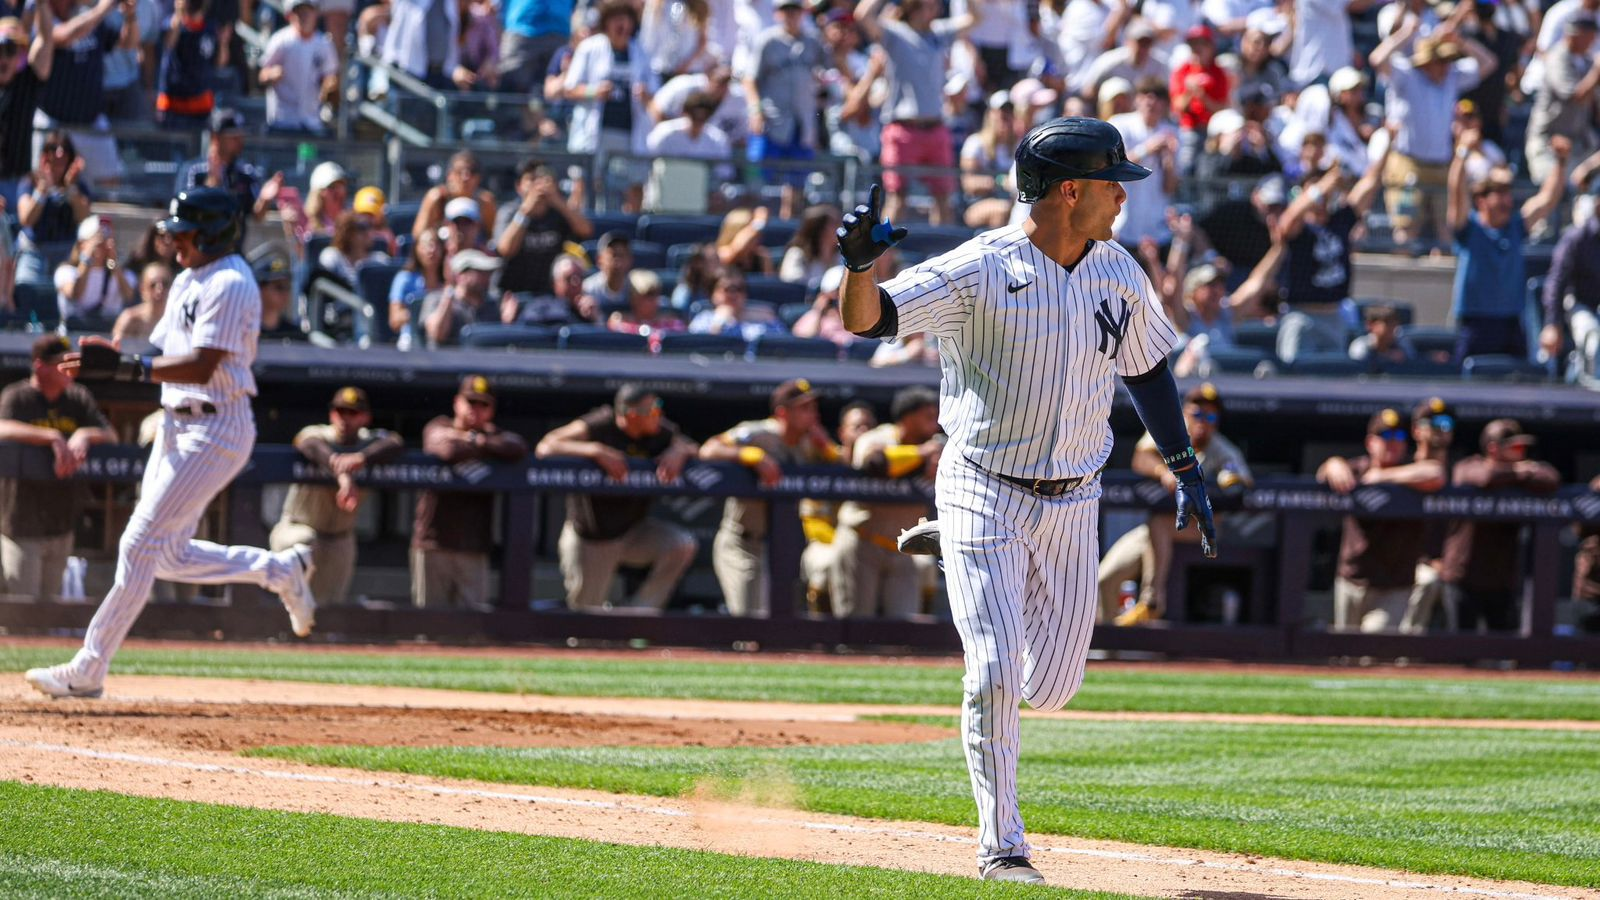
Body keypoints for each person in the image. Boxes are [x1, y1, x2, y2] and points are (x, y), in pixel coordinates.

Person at [838, 117, 1215, 883]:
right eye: (1114, 182)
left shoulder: (1118, 269)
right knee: (996, 672)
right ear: (1070, 190)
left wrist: (1184, 465)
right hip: (983, 484)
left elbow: (1147, 371)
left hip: (1075, 498)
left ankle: (957, 547)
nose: (1122, 196)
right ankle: (1002, 847)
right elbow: (870, 320)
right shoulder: (981, 267)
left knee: (1053, 688)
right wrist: (855, 268)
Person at [24, 188, 318, 700]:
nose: (174, 241)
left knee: (139, 544)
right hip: (177, 423)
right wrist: (118, 353)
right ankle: (280, 569)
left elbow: (204, 364)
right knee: (167, 556)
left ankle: (89, 668)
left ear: (211, 233)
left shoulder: (231, 281)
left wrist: (129, 368)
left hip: (216, 424)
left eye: (183, 233)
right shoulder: (188, 277)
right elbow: (164, 351)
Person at [536, 384, 700, 610]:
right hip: (592, 539)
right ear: (631, 414)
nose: (658, 414)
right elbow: (546, 446)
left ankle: (639, 615)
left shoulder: (659, 430)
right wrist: (595, 450)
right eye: (652, 409)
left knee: (680, 545)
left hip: (633, 532)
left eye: (658, 407)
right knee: (585, 623)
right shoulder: (601, 423)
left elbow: (694, 448)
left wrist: (679, 451)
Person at [1097, 383, 1249, 624]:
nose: (1203, 421)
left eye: (1210, 415)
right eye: (1197, 413)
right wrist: (1163, 472)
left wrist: (1208, 485)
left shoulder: (1222, 450)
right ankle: (1112, 642)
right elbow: (1141, 457)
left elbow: (1240, 486)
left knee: (1159, 524)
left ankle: (1152, 600)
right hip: (1157, 531)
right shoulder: (1170, 434)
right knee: (1105, 578)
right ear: (1185, 413)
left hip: (1205, 529)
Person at [699, 378, 841, 616]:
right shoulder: (759, 433)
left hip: (780, 546)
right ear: (782, 413)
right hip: (741, 542)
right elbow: (708, 450)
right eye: (804, 408)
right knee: (749, 621)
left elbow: (851, 466)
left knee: (778, 623)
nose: (813, 415)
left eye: (814, 408)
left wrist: (829, 450)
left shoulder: (811, 443)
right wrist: (748, 454)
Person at [0, 335, 114, 603]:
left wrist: (85, 433)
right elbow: (1, 427)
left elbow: (111, 435)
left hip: (62, 520)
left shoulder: (77, 397)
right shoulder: (18, 396)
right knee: (23, 610)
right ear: (40, 366)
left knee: (50, 608)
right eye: (63, 364)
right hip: (20, 522)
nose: (71, 370)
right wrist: (50, 436)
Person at [1371, 14, 1497, 249]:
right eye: (1439, 61)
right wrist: (1406, 34)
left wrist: (1460, 42)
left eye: (1446, 60)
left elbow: (1489, 63)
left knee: (1448, 229)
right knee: (1405, 229)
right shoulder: (1407, 75)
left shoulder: (1452, 77)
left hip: (1442, 165)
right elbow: (1377, 59)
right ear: (1426, 62)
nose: (1444, 66)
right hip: (1408, 164)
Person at [1316, 407, 1446, 632]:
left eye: (1398, 436)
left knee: (1373, 649)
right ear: (1370, 442)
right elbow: (1323, 474)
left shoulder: (1411, 470)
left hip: (1394, 586)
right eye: (1385, 436)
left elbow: (1436, 474)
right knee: (1345, 658)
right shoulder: (1358, 468)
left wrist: (1383, 477)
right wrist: (1332, 463)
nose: (1392, 442)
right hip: (1351, 580)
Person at [272, 387, 404, 606]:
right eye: (340, 411)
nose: (345, 419)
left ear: (365, 417)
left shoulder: (367, 442)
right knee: (304, 551)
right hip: (297, 528)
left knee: (330, 607)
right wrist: (341, 471)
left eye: (353, 413)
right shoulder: (319, 434)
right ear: (332, 413)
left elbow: (395, 442)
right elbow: (308, 444)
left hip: (339, 538)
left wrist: (361, 458)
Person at [854, 0, 981, 226]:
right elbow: (862, 15)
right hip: (902, 129)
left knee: (943, 198)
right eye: (928, 5)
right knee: (897, 198)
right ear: (913, 7)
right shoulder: (895, 33)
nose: (935, 10)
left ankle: (943, 254)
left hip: (936, 128)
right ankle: (884, 257)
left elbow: (975, 18)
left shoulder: (939, 32)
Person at [1446, 136, 1569, 362]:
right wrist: (1462, 153)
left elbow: (1548, 199)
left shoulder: (1515, 227)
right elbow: (1456, 192)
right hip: (1475, 323)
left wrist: (1561, 162)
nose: (1506, 201)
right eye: (1499, 194)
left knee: (1517, 385)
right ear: (1481, 200)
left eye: (1507, 193)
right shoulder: (1468, 228)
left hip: (1511, 322)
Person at [413, 375, 528, 611]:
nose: (475, 409)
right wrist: (480, 443)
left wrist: (476, 440)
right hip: (434, 542)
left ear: (491, 409)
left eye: (483, 404)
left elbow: (517, 447)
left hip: (474, 546)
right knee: (429, 625)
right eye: (471, 402)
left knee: (474, 629)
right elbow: (447, 450)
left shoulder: (495, 436)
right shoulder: (439, 425)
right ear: (457, 402)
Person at [828, 386, 941, 619]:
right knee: (855, 626)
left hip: (904, 548)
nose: (935, 423)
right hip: (861, 541)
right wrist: (921, 454)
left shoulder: (938, 444)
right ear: (908, 418)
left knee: (904, 629)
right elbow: (876, 464)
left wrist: (934, 455)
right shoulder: (876, 438)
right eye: (928, 417)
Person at [1440, 420, 1560, 632]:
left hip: (1501, 580)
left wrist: (1518, 473)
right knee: (1460, 652)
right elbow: (1485, 477)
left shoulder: (1522, 473)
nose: (1522, 452)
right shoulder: (1468, 465)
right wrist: (1521, 472)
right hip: (1463, 577)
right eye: (1515, 447)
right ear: (1493, 448)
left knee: (1501, 652)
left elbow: (1551, 478)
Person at [1273, 150, 1390, 364]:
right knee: (1295, 380)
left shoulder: (1339, 221)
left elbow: (1369, 184)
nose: (1323, 194)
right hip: (1301, 316)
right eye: (1317, 190)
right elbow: (1287, 222)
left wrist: (1387, 144)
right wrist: (1323, 184)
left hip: (1334, 315)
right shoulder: (1301, 228)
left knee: (1333, 380)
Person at [562, 0, 657, 212]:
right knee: (583, 184)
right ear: (606, 22)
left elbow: (655, 94)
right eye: (617, 19)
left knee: (633, 185)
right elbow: (569, 88)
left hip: (630, 133)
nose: (622, 25)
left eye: (626, 19)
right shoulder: (590, 48)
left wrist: (645, 95)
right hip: (595, 132)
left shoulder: (641, 52)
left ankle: (629, 233)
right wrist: (593, 91)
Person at [743, 0, 824, 219]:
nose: (791, 15)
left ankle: (788, 225)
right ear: (777, 13)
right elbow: (749, 79)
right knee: (758, 178)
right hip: (772, 120)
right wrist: (755, 110)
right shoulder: (767, 40)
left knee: (796, 182)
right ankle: (755, 224)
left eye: (795, 10)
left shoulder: (813, 42)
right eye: (786, 10)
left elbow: (829, 72)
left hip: (802, 122)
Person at [495, 158, 593, 297]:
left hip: (550, 294)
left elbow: (586, 230)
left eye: (543, 178)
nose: (538, 184)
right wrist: (525, 213)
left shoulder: (558, 212)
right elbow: (505, 249)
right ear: (519, 186)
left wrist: (557, 200)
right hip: (512, 294)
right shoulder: (510, 211)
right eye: (532, 179)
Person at [1401, 397, 1457, 631]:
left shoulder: (1461, 474)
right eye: (1431, 422)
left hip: (1452, 567)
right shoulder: (1399, 468)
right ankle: (1406, 653)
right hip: (1406, 564)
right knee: (1427, 579)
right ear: (1416, 429)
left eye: (1445, 422)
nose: (1439, 428)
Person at [1525, 15, 1600, 186]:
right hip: (1548, 142)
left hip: (1578, 143)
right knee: (1551, 191)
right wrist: (1596, 73)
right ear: (1575, 34)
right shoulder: (1557, 57)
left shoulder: (1586, 61)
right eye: (1588, 35)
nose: (1592, 41)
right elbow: (1574, 96)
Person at [178, 108, 283, 227]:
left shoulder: (246, 173)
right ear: (215, 138)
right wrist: (211, 185)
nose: (240, 142)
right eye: (233, 137)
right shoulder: (194, 171)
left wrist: (265, 199)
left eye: (241, 136)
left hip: (234, 243)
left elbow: (256, 216)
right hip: (201, 242)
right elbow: (185, 211)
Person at [15, 129, 91, 287]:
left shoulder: (78, 186)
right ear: (44, 155)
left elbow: (84, 217)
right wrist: (42, 190)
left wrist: (70, 189)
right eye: (53, 149)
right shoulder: (30, 182)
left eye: (64, 150)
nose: (59, 154)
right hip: (34, 252)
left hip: (67, 254)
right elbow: (26, 219)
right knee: (25, 288)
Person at [0, 7, 55, 212]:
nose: (4, 59)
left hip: (17, 186)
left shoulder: (27, 82)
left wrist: (41, 3)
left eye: (11, 50)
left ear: (20, 54)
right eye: (0, 51)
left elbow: (46, 38)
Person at [260, 0, 340, 134]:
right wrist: (271, 74)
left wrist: (330, 85)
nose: (304, 16)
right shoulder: (281, 40)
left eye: (308, 12)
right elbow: (262, 74)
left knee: (309, 154)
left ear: (315, 14)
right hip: (282, 120)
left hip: (312, 121)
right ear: (290, 15)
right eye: (299, 12)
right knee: (283, 154)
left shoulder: (324, 44)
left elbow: (331, 76)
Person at [1543, 199, 1600, 374]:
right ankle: (1590, 397)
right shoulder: (1577, 238)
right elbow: (1556, 282)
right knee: (1593, 340)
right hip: (1579, 305)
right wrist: (1552, 323)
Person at [421, 249, 508, 346]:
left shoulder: (492, 306)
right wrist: (448, 297)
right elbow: (437, 334)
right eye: (480, 272)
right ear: (460, 276)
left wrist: (507, 324)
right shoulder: (435, 299)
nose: (487, 277)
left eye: (488, 273)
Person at [55, 213, 132, 322]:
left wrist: (113, 262)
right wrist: (87, 257)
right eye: (98, 240)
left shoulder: (121, 274)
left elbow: (128, 296)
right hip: (74, 332)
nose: (102, 247)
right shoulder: (65, 272)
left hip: (106, 333)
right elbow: (75, 294)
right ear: (82, 244)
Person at [154, 0, 218, 127]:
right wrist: (179, 12)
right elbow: (168, 44)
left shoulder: (210, 28)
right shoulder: (172, 24)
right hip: (173, 104)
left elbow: (217, 62)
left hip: (201, 104)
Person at [413, 150, 499, 243]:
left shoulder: (485, 202)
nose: (465, 177)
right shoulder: (437, 198)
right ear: (449, 175)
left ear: (479, 177)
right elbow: (419, 237)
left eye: (472, 172)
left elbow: (494, 239)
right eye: (459, 171)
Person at [687, 269, 786, 340]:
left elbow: (782, 346)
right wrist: (719, 322)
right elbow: (699, 349)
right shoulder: (703, 320)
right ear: (713, 294)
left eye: (739, 289)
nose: (733, 295)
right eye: (727, 289)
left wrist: (770, 319)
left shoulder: (763, 319)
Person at [388, 228, 446, 337]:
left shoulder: (448, 281)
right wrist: (418, 313)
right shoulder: (404, 279)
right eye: (425, 245)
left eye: (435, 245)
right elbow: (395, 320)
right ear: (416, 249)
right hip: (411, 341)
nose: (431, 250)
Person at [606, 269, 684, 344]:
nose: (652, 300)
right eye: (647, 295)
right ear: (633, 297)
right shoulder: (619, 323)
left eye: (655, 294)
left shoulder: (672, 323)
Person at [519, 253, 597, 325]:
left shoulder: (590, 309)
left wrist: (595, 318)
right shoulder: (541, 307)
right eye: (569, 278)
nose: (576, 283)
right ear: (555, 283)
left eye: (580, 277)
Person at [778, 205, 841, 287]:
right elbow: (793, 287)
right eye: (834, 223)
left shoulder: (843, 255)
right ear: (820, 229)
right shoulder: (797, 254)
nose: (840, 228)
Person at [252, 244, 304, 341]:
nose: (285, 292)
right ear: (259, 289)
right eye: (279, 287)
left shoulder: (294, 333)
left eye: (287, 287)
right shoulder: (248, 331)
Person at [113, 260, 174, 342]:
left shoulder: (177, 320)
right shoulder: (130, 320)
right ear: (142, 289)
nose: (159, 290)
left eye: (165, 284)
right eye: (153, 285)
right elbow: (115, 350)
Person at [580, 230, 635, 309]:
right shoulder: (588, 289)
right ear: (599, 260)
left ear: (630, 259)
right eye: (613, 255)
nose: (618, 260)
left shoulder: (637, 289)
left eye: (622, 255)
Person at [1347, 304, 1417, 364]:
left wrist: (1403, 356)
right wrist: (1386, 356)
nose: (1393, 328)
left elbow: (1413, 361)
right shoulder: (1360, 345)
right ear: (1371, 325)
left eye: (1395, 324)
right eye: (1387, 323)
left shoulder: (1402, 344)